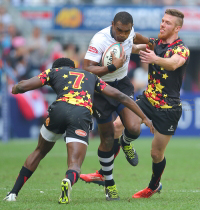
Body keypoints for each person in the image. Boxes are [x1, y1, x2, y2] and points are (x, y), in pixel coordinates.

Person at [3, 57, 154, 203]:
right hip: (80, 114)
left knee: (39, 151)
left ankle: (12, 193)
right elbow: (120, 96)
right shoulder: (90, 76)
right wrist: (144, 117)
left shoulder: (53, 72)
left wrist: (15, 88)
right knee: (75, 164)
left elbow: (23, 86)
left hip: (59, 109)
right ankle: (68, 180)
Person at [80, 11, 153, 190]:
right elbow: (87, 68)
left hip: (122, 85)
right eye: (119, 30)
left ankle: (126, 143)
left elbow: (136, 38)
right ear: (113, 24)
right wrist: (112, 66)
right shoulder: (100, 39)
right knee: (106, 138)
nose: (123, 35)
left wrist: (150, 42)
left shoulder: (130, 33)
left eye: (126, 31)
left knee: (134, 128)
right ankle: (109, 183)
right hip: (101, 89)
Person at [130, 9, 189, 198]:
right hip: (147, 100)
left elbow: (173, 64)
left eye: (168, 23)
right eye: (162, 21)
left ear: (177, 28)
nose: (163, 25)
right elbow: (132, 47)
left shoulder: (182, 49)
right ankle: (104, 171)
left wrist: (154, 58)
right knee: (117, 125)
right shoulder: (153, 43)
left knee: (156, 154)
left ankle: (154, 185)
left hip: (168, 108)